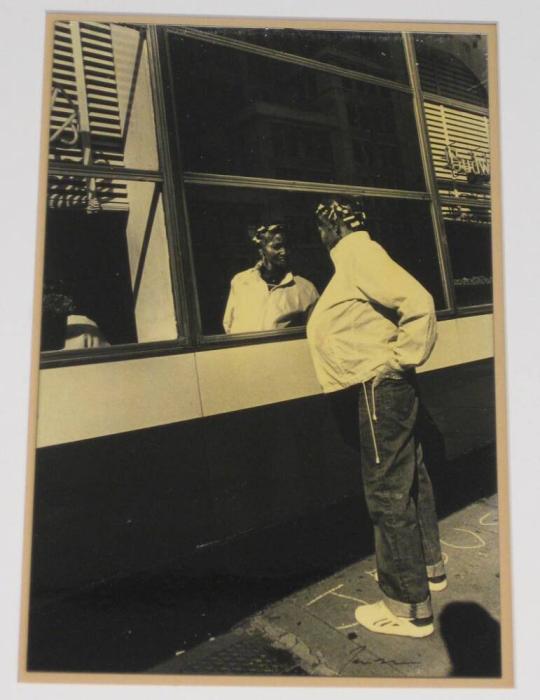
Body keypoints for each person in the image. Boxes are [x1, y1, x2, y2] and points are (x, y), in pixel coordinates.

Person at [306, 199, 446, 639]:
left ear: (331, 228)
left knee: (387, 490)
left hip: (376, 387)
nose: (319, 237)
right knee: (408, 480)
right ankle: (427, 571)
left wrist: (400, 359)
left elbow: (419, 302)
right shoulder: (357, 259)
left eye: (320, 228)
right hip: (381, 387)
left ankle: (407, 609)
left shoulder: (358, 255)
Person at [223, 223, 319, 334]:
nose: (284, 252)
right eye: (277, 247)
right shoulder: (240, 281)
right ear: (261, 249)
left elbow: (315, 333)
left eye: (287, 246)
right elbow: (228, 325)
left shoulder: (306, 289)